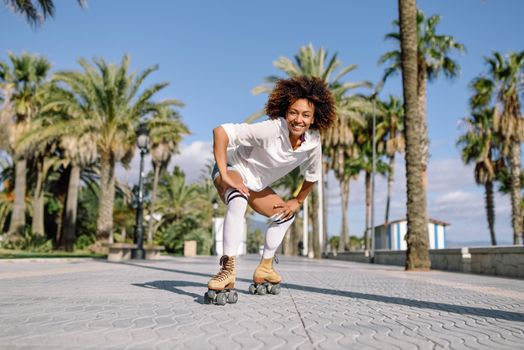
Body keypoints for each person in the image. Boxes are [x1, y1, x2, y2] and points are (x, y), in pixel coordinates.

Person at [204, 76, 336, 305]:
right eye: (294, 112)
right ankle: (227, 269)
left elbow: (313, 175)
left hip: (256, 183)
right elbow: (220, 132)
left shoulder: (313, 141)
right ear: (285, 111)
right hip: (235, 169)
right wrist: (225, 174)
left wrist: (297, 200)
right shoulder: (271, 129)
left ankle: (265, 268)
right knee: (238, 199)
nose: (298, 119)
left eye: (306, 115)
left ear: (314, 118)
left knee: (286, 214)